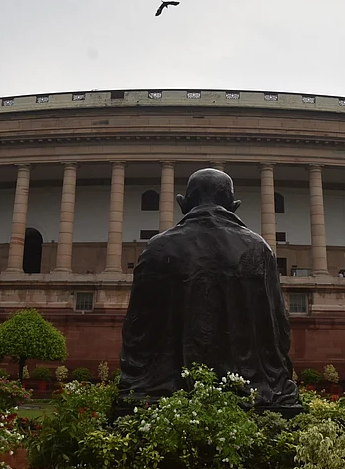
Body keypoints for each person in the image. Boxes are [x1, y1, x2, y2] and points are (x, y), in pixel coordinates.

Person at [116, 168, 301, 414]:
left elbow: (135, 328)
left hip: (162, 389)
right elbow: (278, 328)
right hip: (251, 388)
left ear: (183, 203)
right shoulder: (259, 249)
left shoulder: (157, 248)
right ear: (234, 206)